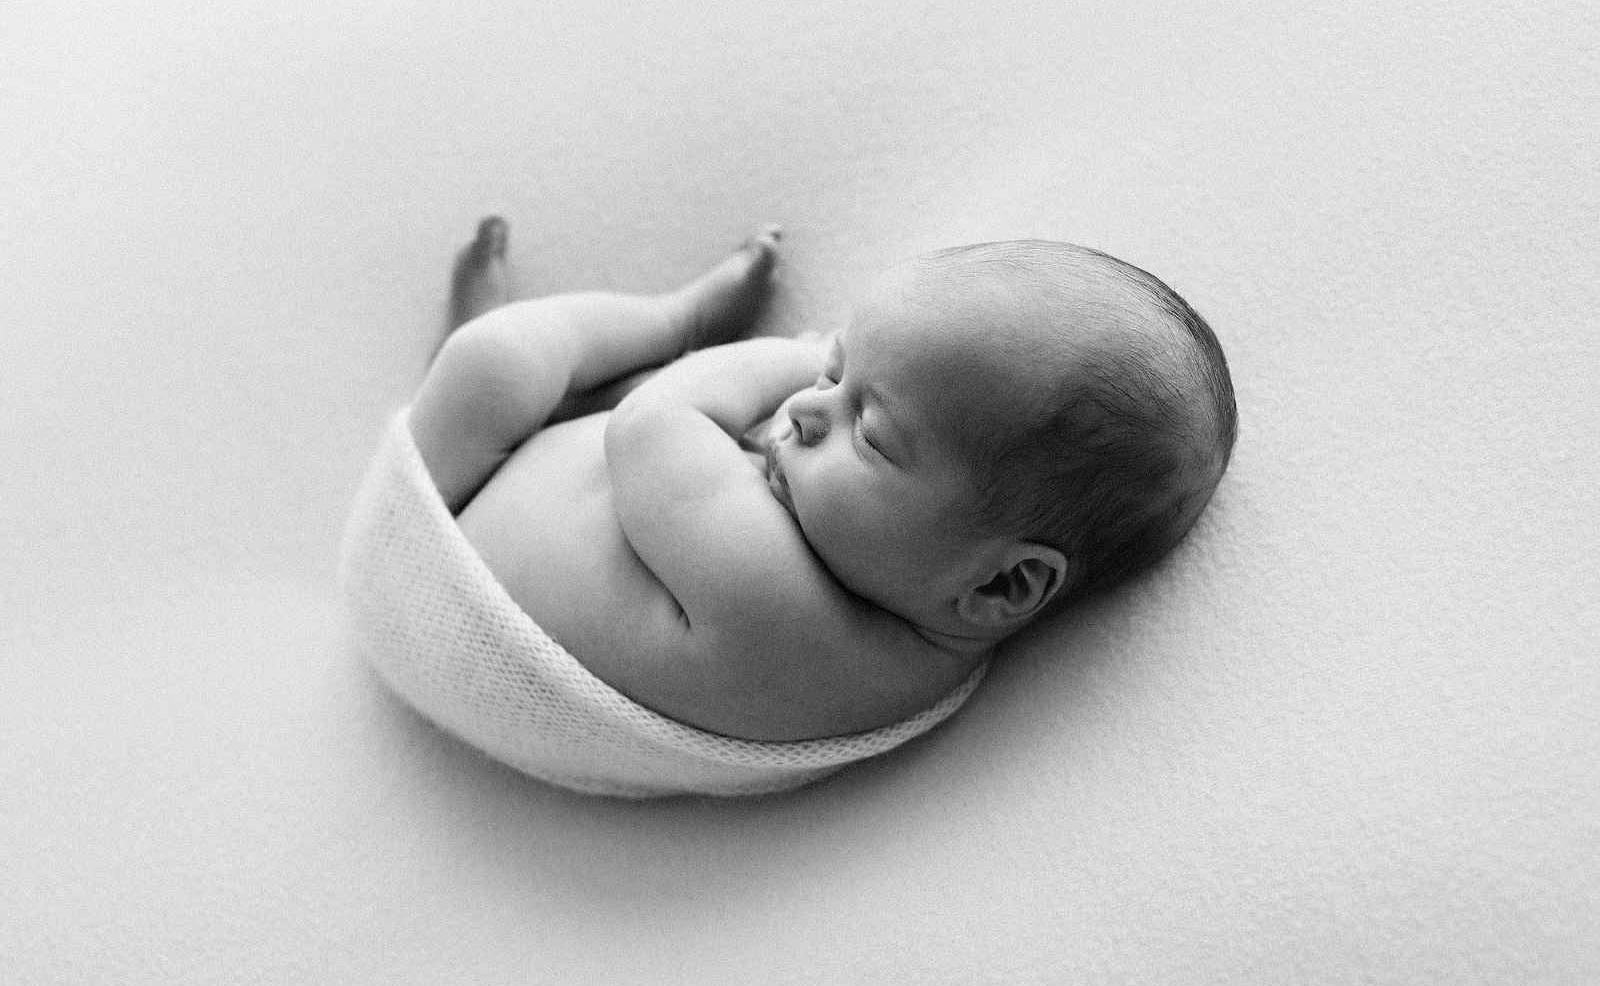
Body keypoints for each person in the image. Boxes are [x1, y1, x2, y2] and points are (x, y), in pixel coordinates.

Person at [341, 218, 1235, 796]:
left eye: (872, 432)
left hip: (440, 568)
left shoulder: (796, 626)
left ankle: (673, 321)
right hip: (552, 569)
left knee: (492, 363)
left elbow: (654, 429)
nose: (809, 406)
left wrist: (788, 352)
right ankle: (575, 391)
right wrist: (850, 408)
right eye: (835, 368)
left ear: (1002, 588)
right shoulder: (901, 604)